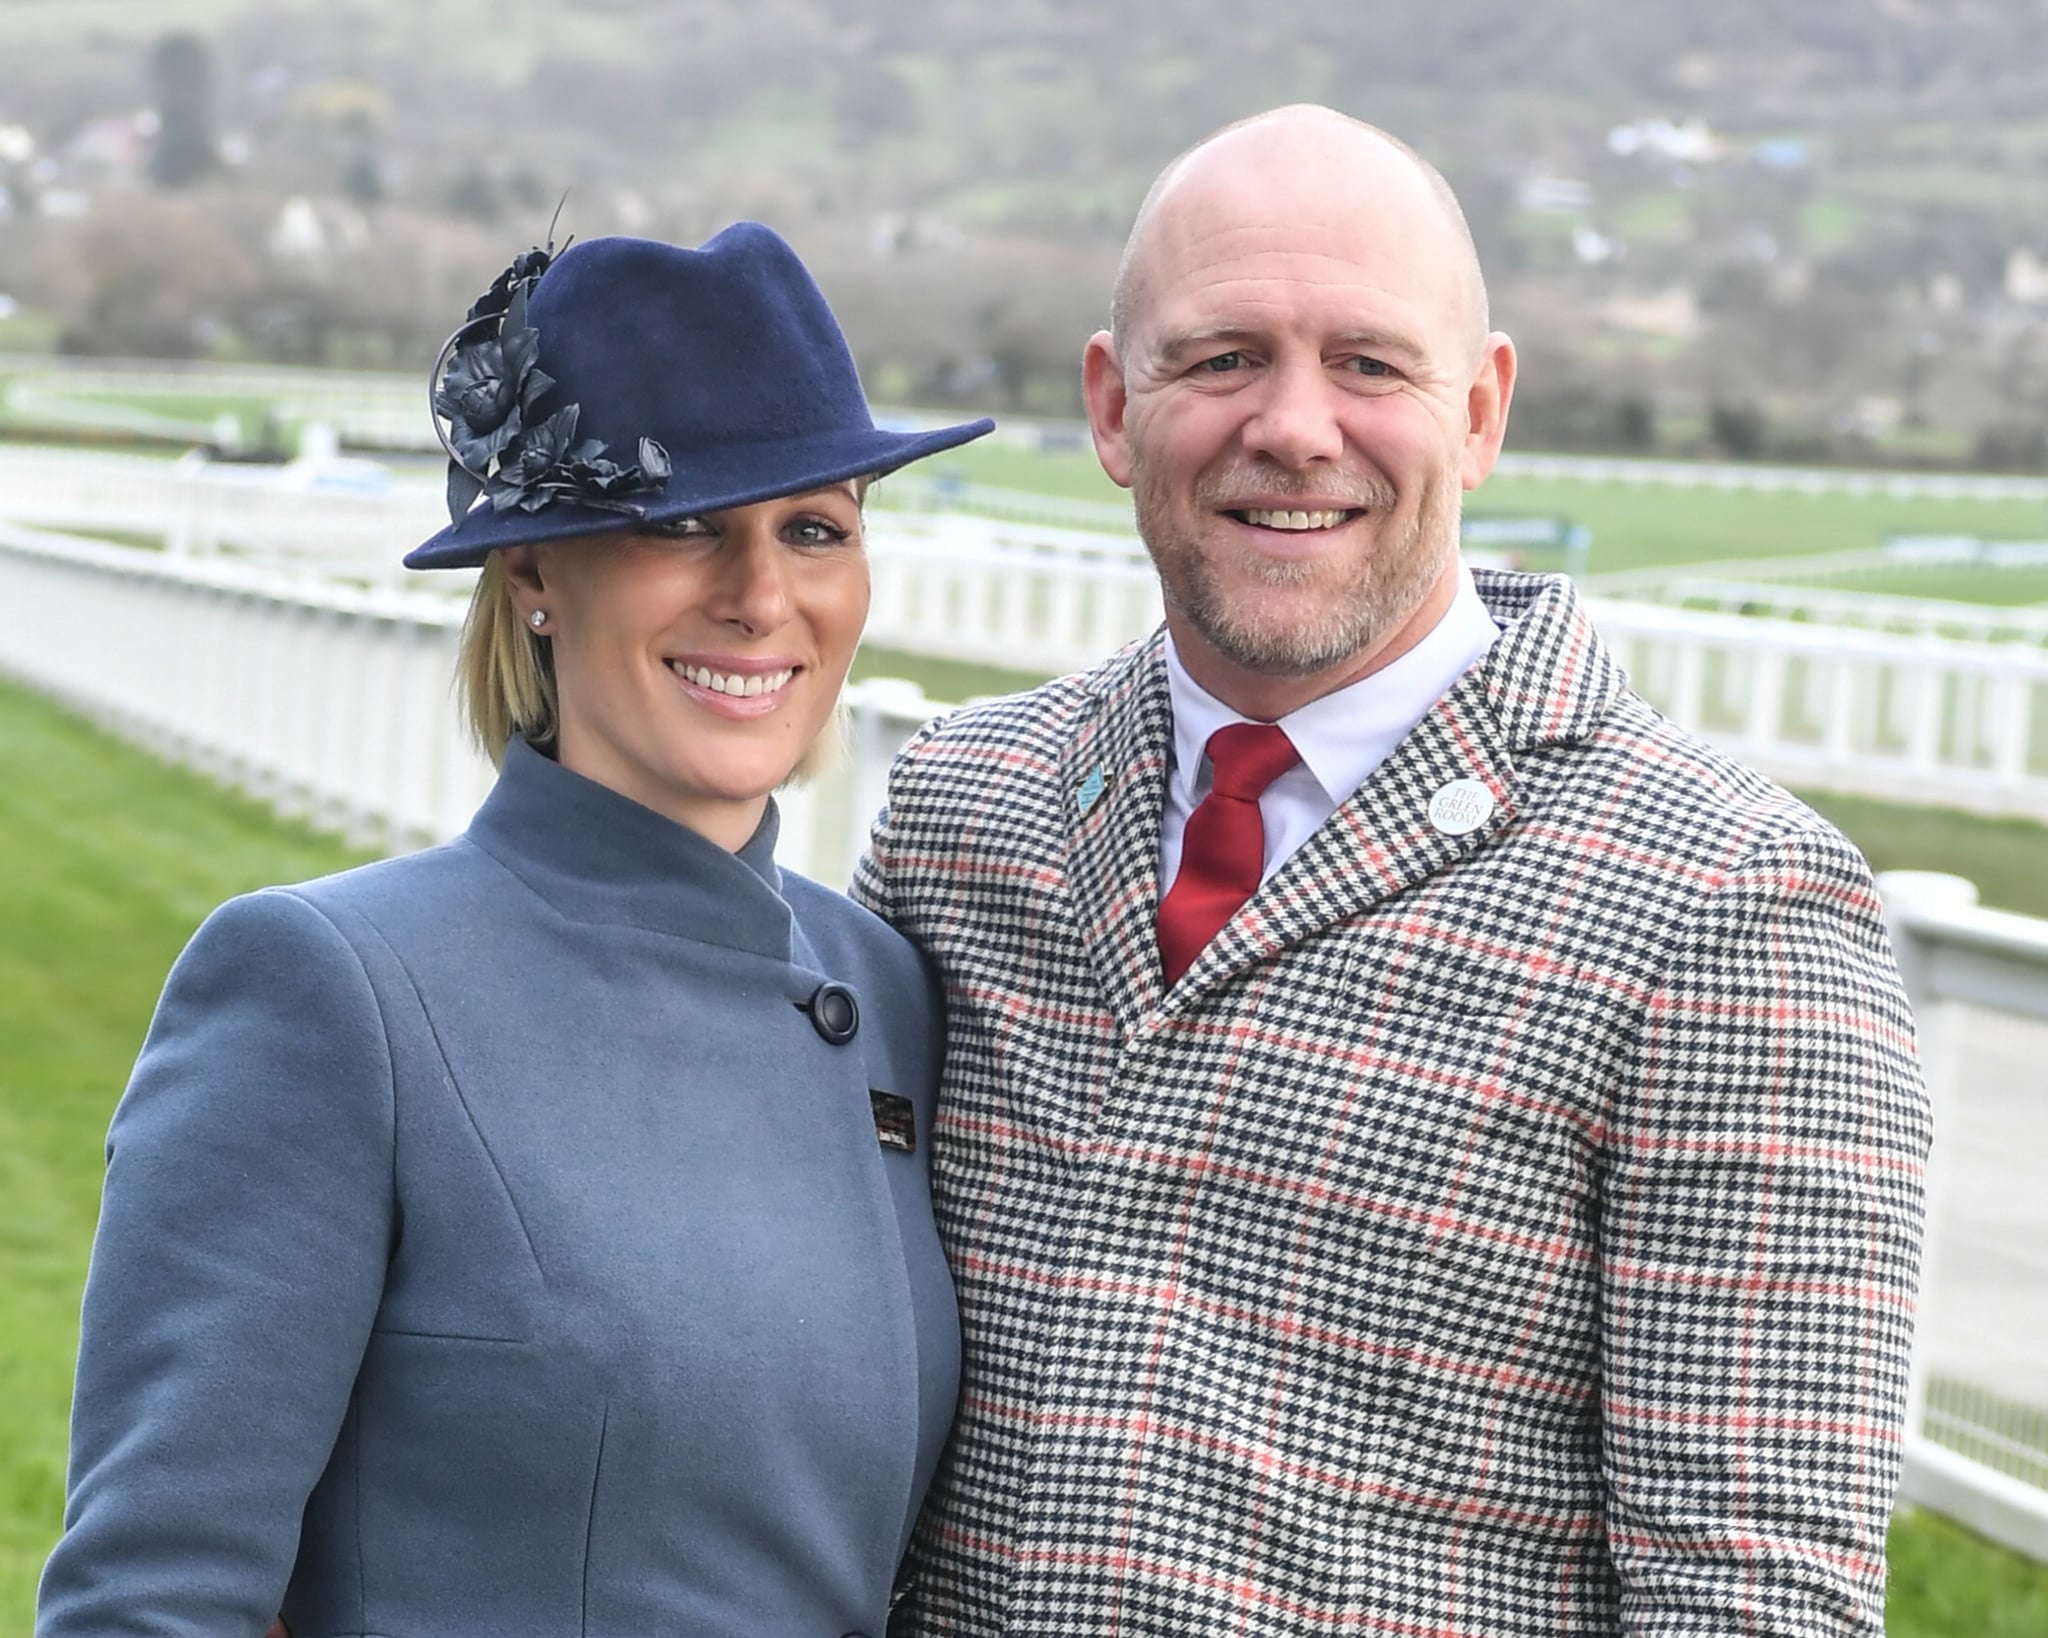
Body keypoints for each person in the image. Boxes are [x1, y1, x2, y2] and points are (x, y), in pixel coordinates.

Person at [855, 106, 1931, 1635]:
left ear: (1483, 412)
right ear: (1109, 406)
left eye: (1370, 362)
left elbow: (1753, 1597)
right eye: (1222, 356)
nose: (1294, 426)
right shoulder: (965, 815)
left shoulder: (1735, 911)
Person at [38, 223, 992, 1638]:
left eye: (814, 527)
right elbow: (153, 1595)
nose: (760, 595)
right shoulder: (327, 990)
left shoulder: (891, 990)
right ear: (536, 573)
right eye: (679, 524)